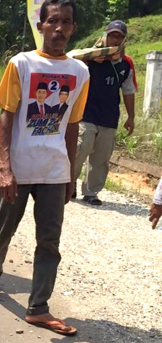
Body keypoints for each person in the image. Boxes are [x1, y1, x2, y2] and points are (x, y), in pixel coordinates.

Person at [0, 0, 90, 336]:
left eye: (66, 22)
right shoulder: (22, 64)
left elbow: (72, 125)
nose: (59, 28)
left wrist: (71, 175)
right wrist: (5, 169)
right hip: (18, 168)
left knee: (49, 242)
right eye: (53, 21)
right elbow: (6, 118)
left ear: (73, 28)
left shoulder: (80, 72)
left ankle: (39, 308)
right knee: (3, 233)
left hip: (54, 172)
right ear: (41, 24)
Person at [70, 20, 136, 205]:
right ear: (105, 36)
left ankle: (91, 192)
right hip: (86, 112)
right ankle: (69, 184)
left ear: (123, 40)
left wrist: (131, 117)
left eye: (119, 36)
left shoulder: (126, 63)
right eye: (112, 35)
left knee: (101, 156)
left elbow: (128, 90)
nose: (115, 39)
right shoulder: (90, 55)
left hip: (109, 115)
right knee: (80, 148)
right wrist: (91, 57)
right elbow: (69, 57)